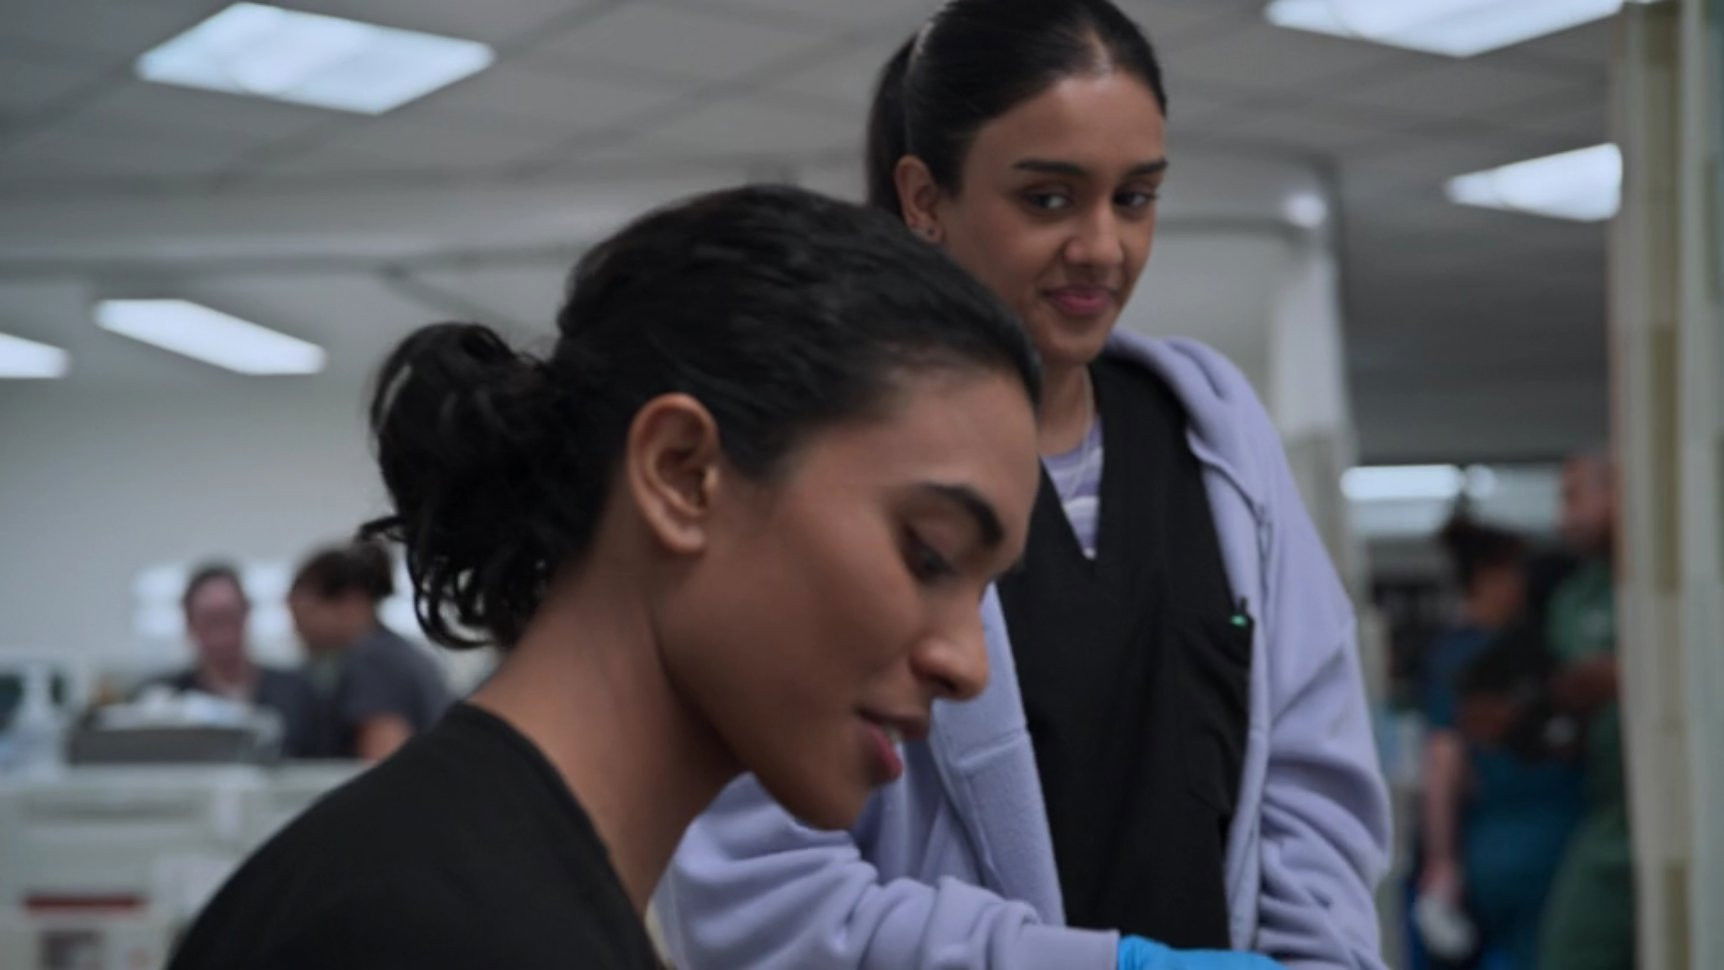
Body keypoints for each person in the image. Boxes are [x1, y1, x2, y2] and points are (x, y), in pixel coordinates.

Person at [656, 2, 1390, 969]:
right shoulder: (810, 453)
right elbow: (757, 896)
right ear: (925, 198)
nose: (1102, 247)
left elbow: (1313, 779)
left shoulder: (1214, 435)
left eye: (1135, 198)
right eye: (1048, 199)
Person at [165, 185, 1044, 970]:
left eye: (983, 591)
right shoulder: (434, 931)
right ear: (680, 474)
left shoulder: (505, 882)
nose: (968, 665)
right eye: (929, 555)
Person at [1416, 517, 1582, 969]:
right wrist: (1441, 861)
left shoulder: (1453, 655)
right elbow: (1444, 759)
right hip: (1529, 843)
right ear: (1488, 577)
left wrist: (1442, 861)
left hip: (1503, 844)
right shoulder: (1508, 655)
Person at [1537, 452, 1631, 970]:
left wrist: (1630, 676)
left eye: (1574, 498)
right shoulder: (1574, 600)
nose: (1563, 520)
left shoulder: (1680, 579)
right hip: (1610, 805)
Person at [288, 540, 451, 760]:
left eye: (304, 614)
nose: (297, 629)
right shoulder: (397, 653)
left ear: (350, 603)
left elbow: (383, 760)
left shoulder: (374, 662)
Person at [147, 562, 317, 757]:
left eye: (229, 617)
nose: (222, 633)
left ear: (246, 614)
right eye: (211, 620)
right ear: (190, 623)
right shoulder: (164, 700)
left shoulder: (297, 694)